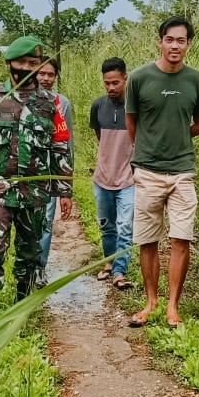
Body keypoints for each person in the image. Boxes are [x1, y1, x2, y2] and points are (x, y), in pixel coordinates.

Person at [0, 35, 72, 303]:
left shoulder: (48, 103)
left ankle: (23, 303)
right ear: (9, 63)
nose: (28, 67)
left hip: (34, 192)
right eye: (22, 61)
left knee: (30, 252)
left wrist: (65, 190)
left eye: (33, 62)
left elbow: (60, 147)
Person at [125, 16, 199, 327]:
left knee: (180, 237)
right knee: (147, 239)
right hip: (147, 170)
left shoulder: (196, 80)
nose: (175, 45)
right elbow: (131, 121)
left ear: (189, 44)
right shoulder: (139, 78)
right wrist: (145, 150)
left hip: (183, 171)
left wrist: (177, 136)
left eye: (181, 40)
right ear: (160, 41)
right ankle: (151, 302)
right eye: (169, 39)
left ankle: (173, 306)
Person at [89, 57, 134, 289]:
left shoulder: (136, 107)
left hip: (128, 179)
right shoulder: (98, 106)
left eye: (115, 82)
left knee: (125, 226)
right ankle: (109, 263)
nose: (111, 88)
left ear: (125, 79)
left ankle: (119, 271)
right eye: (107, 83)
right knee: (107, 224)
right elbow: (101, 138)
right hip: (103, 177)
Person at [36, 56, 74, 285]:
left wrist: (65, 188)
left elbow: (66, 145)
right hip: (23, 174)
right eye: (42, 74)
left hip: (48, 174)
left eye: (50, 74)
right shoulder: (19, 99)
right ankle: (25, 268)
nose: (46, 79)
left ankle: (39, 268)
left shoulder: (62, 103)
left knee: (45, 222)